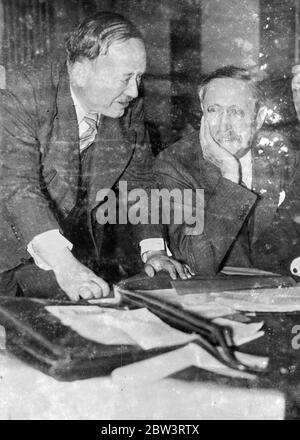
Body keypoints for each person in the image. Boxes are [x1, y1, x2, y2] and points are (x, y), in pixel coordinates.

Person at [0, 11, 190, 301]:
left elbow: (139, 179)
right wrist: (64, 265)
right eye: (126, 77)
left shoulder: (125, 104)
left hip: (51, 253)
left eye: (139, 77)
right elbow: (17, 184)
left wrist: (153, 251)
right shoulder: (24, 90)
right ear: (79, 72)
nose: (135, 90)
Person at [153, 65, 300, 276]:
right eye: (214, 110)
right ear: (203, 112)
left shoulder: (282, 155)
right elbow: (197, 262)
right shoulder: (174, 165)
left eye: (236, 112)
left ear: (258, 119)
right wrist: (230, 176)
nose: (224, 125)